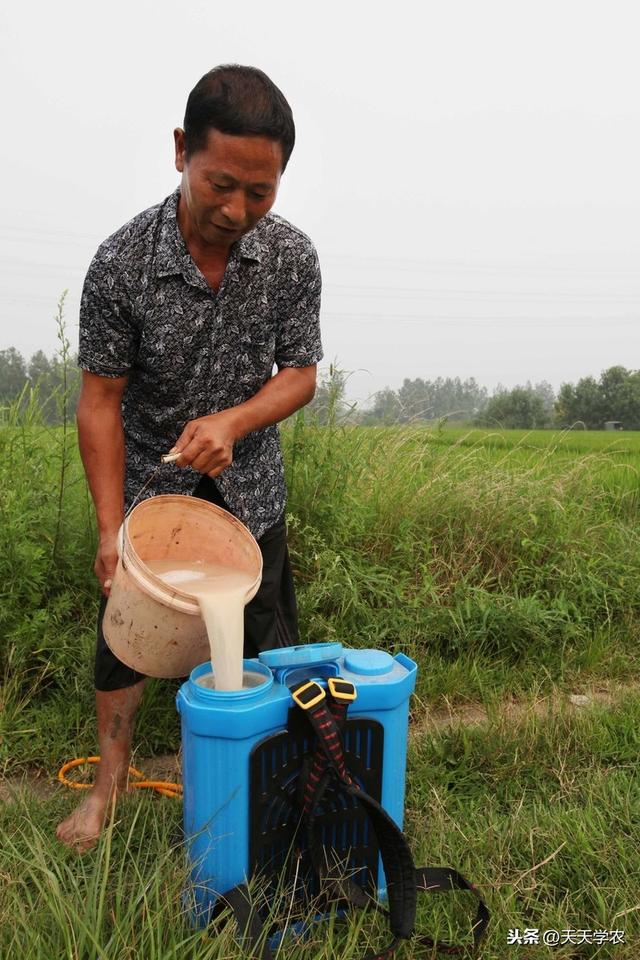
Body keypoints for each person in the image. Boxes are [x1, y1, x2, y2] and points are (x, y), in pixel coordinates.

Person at [56, 65, 322, 852]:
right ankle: (106, 791)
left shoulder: (291, 259)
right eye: (221, 184)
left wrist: (235, 421)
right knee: (124, 650)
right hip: (151, 494)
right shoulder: (122, 264)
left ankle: (274, 790)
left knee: (270, 650)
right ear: (180, 151)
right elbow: (100, 400)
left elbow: (301, 374)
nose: (237, 210)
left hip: (251, 497)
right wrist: (111, 529)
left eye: (261, 192)